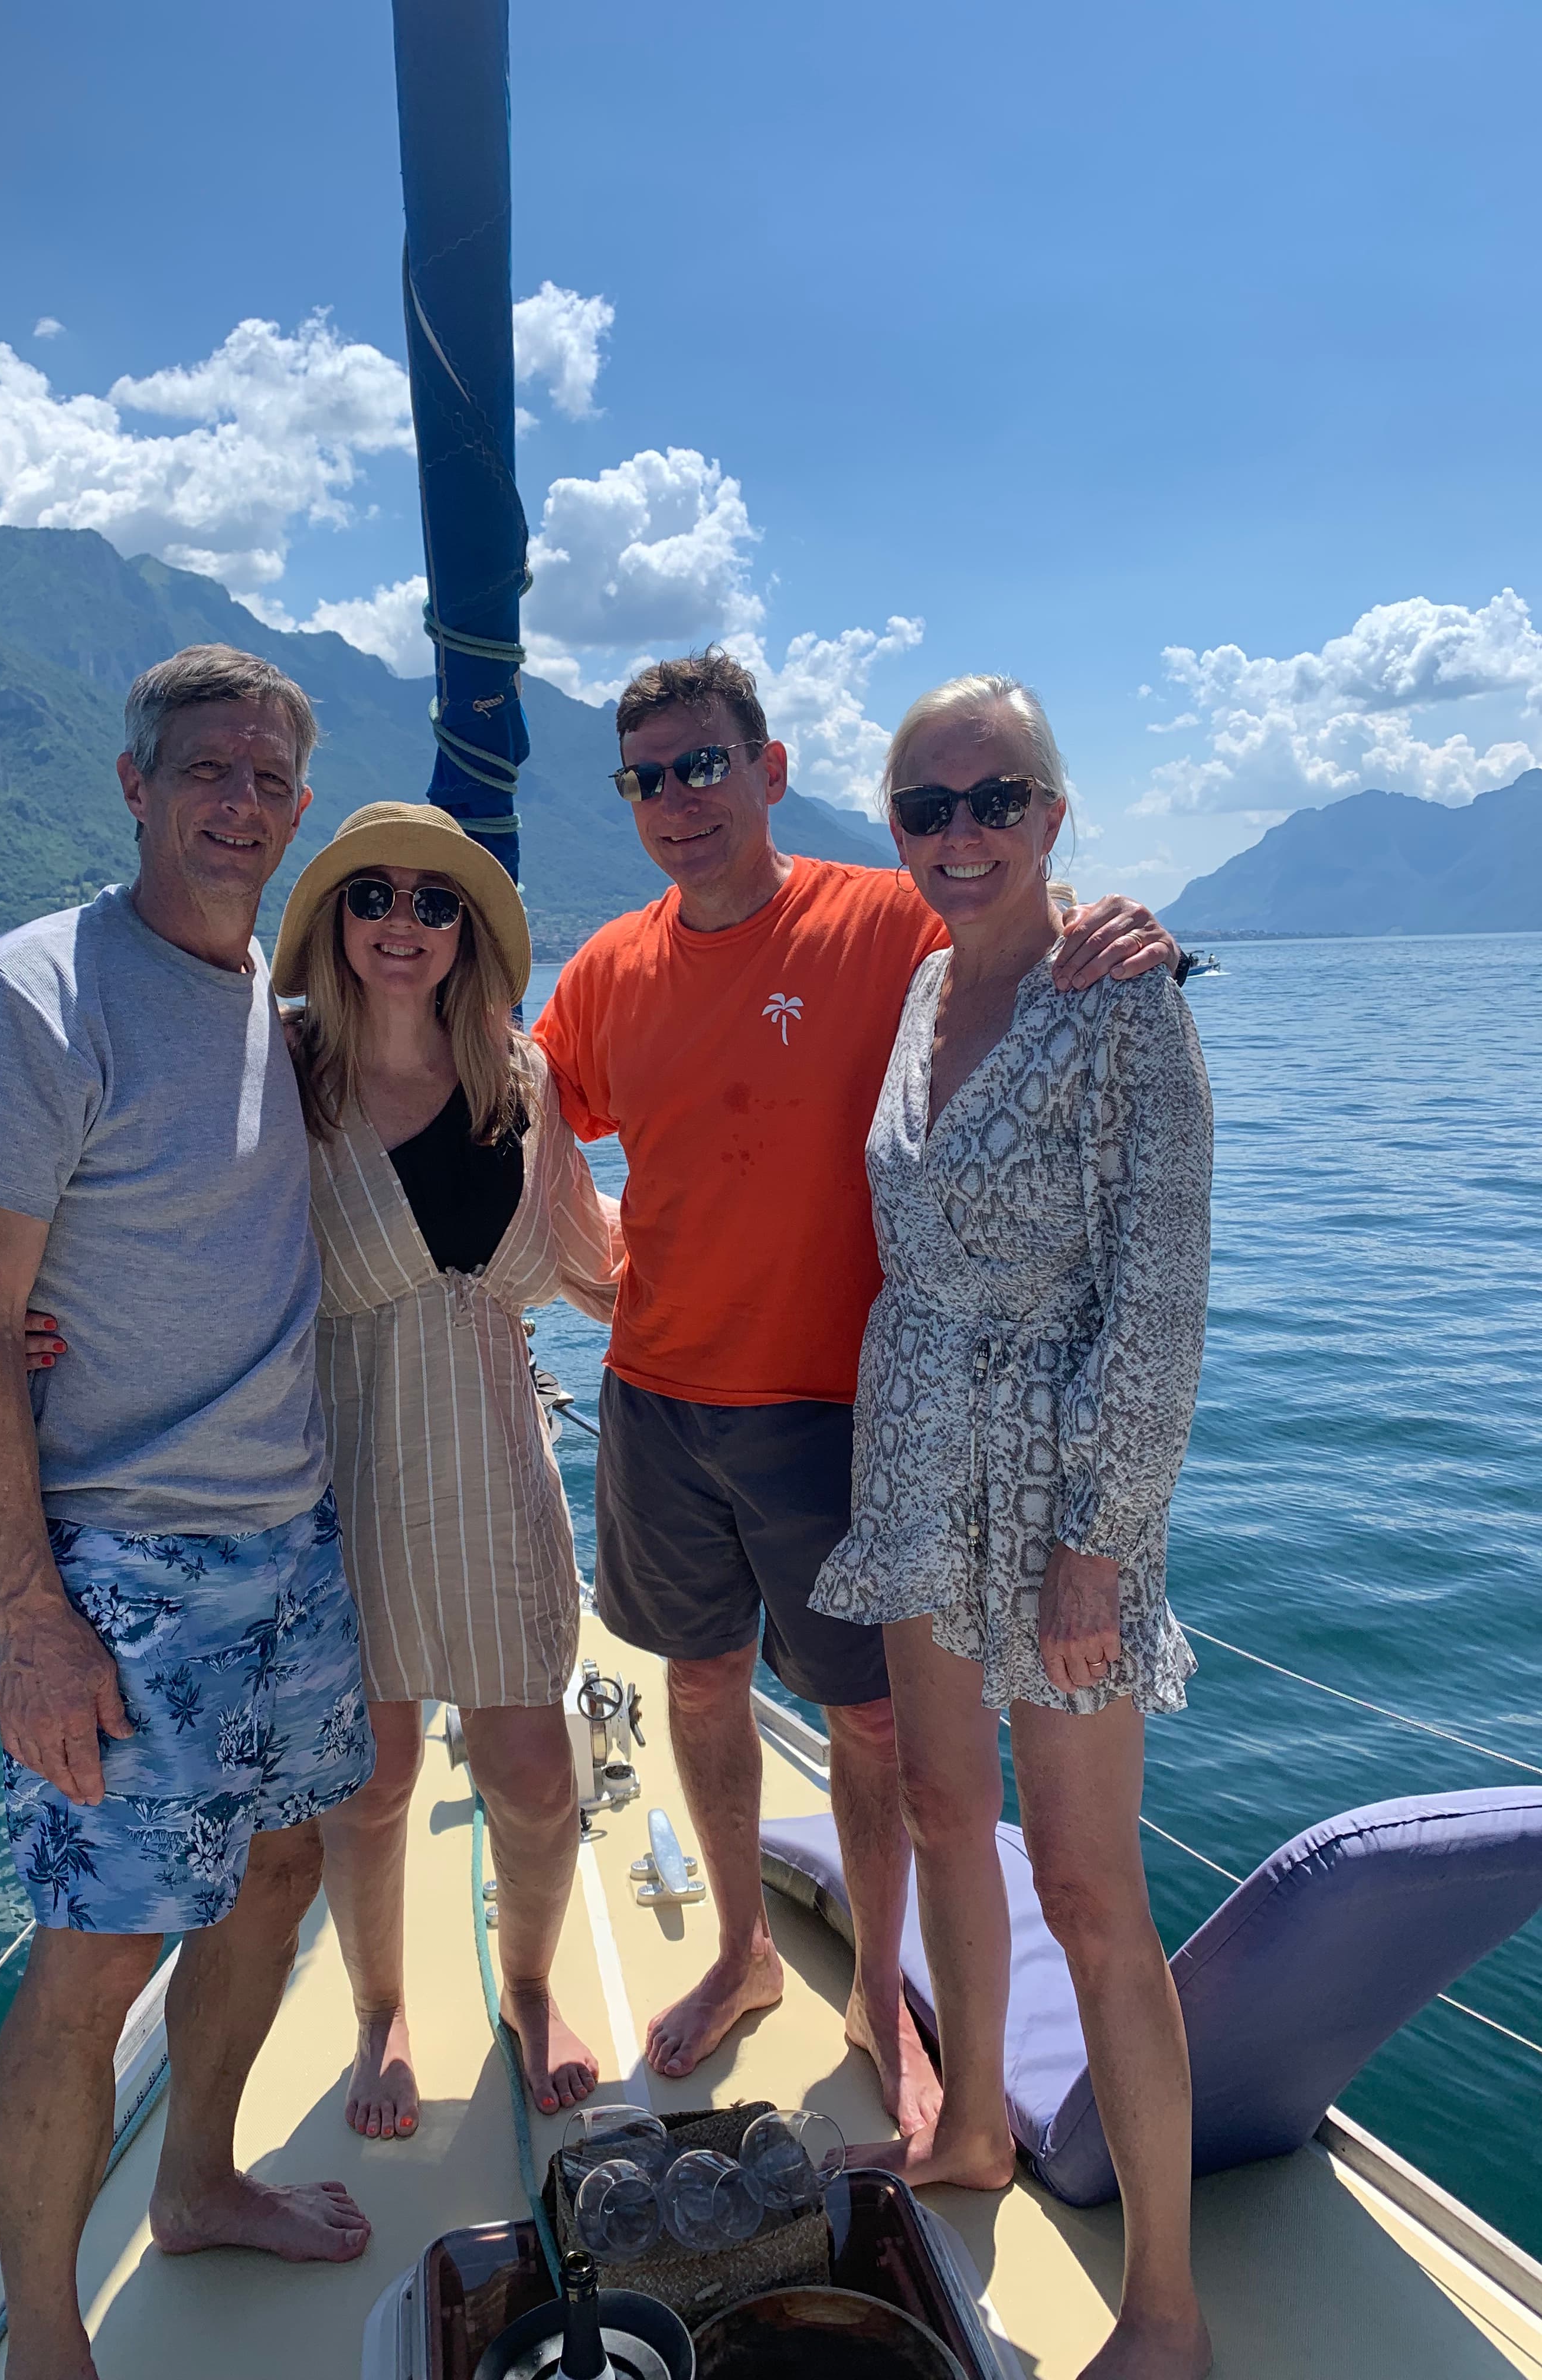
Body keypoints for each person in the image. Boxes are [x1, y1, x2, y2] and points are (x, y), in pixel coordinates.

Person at [532, 648, 1185, 2128]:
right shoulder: (610, 970)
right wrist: (581, 1258)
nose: (677, 801)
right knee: (697, 1685)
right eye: (646, 777)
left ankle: (881, 1995)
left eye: (705, 765)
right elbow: (522, 1102)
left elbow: (1014, 918)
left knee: (877, 1728)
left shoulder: (886, 912)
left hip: (842, 1410)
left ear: (768, 772)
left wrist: (1133, 927)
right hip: (654, 1393)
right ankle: (745, 1951)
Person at [0, 645, 377, 2380]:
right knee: (95, 1958)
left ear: (297, 809)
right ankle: (44, 2338)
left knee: (280, 1869)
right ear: (134, 785)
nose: (238, 801)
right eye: (206, 769)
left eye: (268, 777)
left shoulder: (273, 1007)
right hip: (116, 1571)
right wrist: (29, 1619)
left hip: (289, 1540)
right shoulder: (29, 997)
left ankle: (195, 2185)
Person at [809, 675, 1213, 2380]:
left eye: (996, 800)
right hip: (913, 1452)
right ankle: (971, 2121)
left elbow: (1164, 1292)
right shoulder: (912, 988)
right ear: (893, 829)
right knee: (934, 1796)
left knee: (1089, 1881)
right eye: (925, 807)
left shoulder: (1124, 997)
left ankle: (1169, 2308)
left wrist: (1098, 1544)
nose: (959, 835)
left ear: (1056, 813)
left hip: (1060, 1482)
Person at [271, 801, 623, 2136]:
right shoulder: (283, 1076)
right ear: (336, 925)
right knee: (372, 1785)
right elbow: (158, 1212)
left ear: (467, 930)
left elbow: (594, 1264)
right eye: (374, 899)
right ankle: (381, 2014)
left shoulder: (516, 1079)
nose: (402, 923)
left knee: (533, 1777)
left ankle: (529, 1988)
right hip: (339, 1472)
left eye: (434, 901)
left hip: (490, 1466)